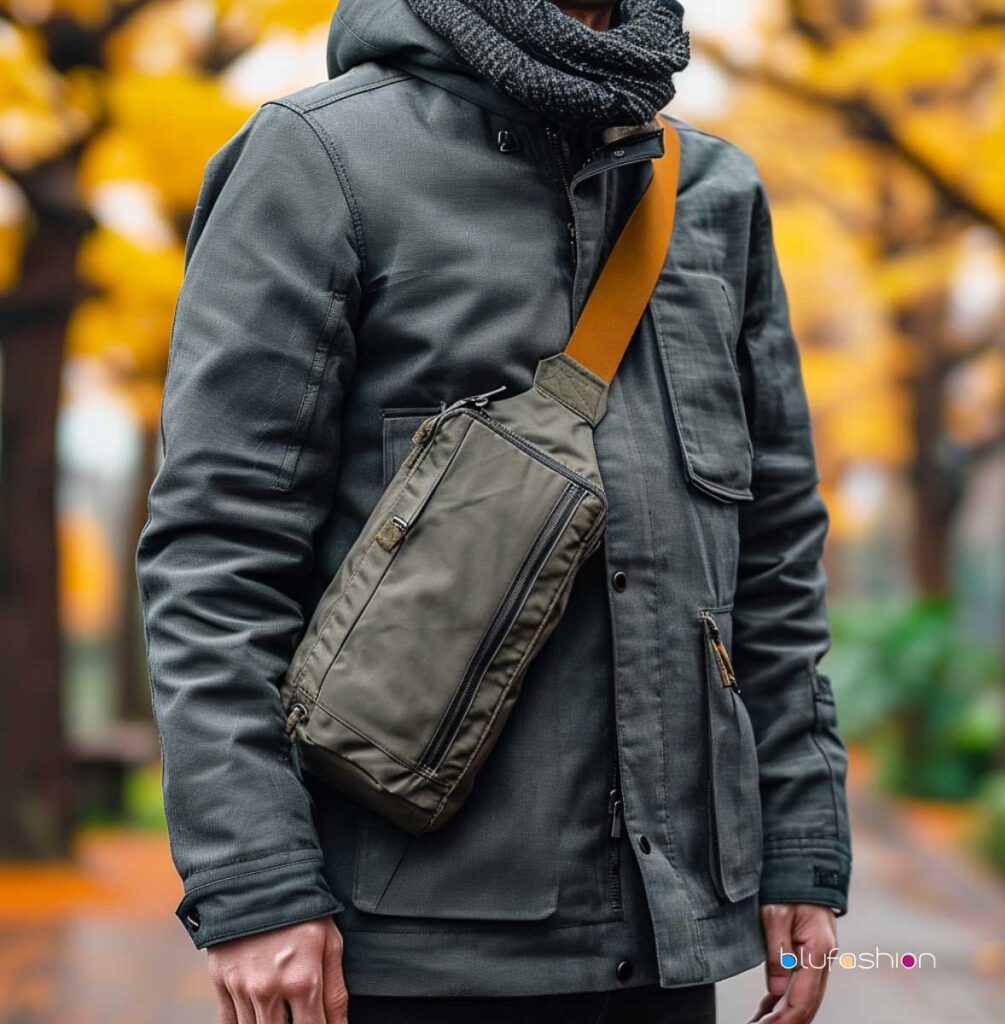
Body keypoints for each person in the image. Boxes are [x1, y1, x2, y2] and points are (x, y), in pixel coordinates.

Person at [136, 1, 852, 1022]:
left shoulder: (711, 192)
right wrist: (253, 886)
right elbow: (215, 553)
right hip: (400, 951)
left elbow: (772, 562)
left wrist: (801, 851)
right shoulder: (322, 160)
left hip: (667, 945)